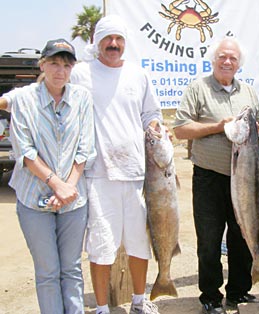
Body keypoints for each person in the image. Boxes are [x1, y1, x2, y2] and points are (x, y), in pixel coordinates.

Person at [70, 15, 162, 314]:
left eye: (118, 39)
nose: (113, 44)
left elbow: (150, 114)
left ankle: (138, 301)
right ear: (96, 41)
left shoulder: (138, 75)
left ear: (125, 42)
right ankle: (100, 308)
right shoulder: (80, 73)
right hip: (98, 175)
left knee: (138, 244)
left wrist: (157, 126)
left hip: (137, 174)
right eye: (107, 39)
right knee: (101, 246)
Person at [0, 39, 96, 313]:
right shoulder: (24, 99)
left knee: (72, 269)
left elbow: (86, 149)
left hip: (73, 200)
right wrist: (57, 185)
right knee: (47, 272)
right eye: (54, 63)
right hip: (33, 200)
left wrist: (68, 188)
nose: (60, 71)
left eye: (66, 65)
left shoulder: (82, 98)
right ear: (42, 65)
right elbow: (25, 152)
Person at [173, 36, 259, 314]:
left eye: (233, 58)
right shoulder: (198, 88)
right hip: (209, 178)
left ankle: (239, 291)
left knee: (243, 236)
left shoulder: (248, 92)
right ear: (214, 59)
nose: (227, 61)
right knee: (209, 241)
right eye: (222, 56)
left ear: (239, 64)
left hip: (245, 179)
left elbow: (257, 125)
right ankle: (210, 297)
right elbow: (181, 129)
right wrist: (218, 127)